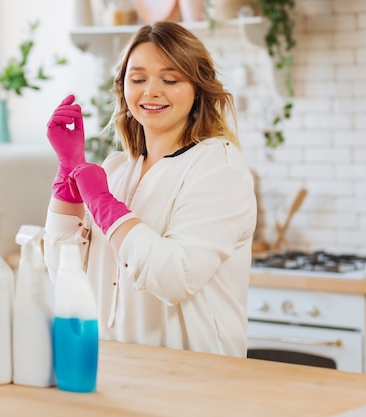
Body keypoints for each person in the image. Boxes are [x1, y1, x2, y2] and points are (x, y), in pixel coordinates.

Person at [43, 21, 257, 357]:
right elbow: (63, 271)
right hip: (116, 375)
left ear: (198, 89)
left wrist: (103, 203)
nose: (150, 91)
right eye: (138, 79)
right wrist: (67, 180)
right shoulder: (116, 169)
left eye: (170, 80)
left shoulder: (218, 168)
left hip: (196, 386)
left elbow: (174, 277)